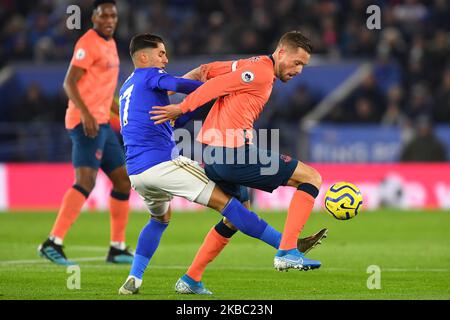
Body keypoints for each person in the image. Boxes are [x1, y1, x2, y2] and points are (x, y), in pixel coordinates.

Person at [117, 33, 325, 295]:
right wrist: (182, 107)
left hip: (209, 155)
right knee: (311, 177)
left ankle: (191, 278)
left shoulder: (252, 63)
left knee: (237, 217)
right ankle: (287, 249)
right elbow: (219, 85)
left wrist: (193, 83)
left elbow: (209, 71)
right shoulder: (259, 72)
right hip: (231, 152)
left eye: (303, 66)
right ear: (281, 52)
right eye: (296, 63)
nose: (298, 70)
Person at [38, 0, 133, 266]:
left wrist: (123, 115)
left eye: (113, 15)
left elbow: (103, 91)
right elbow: (69, 83)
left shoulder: (111, 44)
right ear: (94, 17)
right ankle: (52, 242)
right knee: (86, 181)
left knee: (123, 181)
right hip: (85, 123)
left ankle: (117, 248)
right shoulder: (88, 43)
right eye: (104, 15)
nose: (110, 20)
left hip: (102, 122)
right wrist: (87, 114)